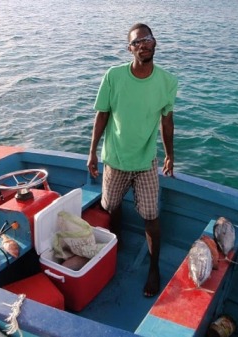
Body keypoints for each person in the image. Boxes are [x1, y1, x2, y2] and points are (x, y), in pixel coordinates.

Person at [87, 23, 178, 297]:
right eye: (137, 42)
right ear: (130, 49)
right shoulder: (113, 77)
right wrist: (91, 152)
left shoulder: (167, 81)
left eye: (147, 39)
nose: (143, 44)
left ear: (155, 43)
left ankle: (154, 268)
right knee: (111, 206)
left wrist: (170, 155)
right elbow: (102, 115)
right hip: (114, 160)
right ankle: (117, 242)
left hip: (146, 161)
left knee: (151, 216)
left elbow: (167, 121)